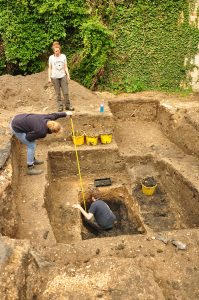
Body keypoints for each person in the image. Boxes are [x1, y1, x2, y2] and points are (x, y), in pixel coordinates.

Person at [48, 41, 74, 112]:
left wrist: (68, 75)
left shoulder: (63, 56)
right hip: (54, 77)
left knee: (65, 92)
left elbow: (65, 67)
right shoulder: (51, 58)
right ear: (53, 51)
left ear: (60, 50)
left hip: (63, 76)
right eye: (55, 51)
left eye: (58, 51)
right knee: (58, 93)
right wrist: (49, 77)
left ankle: (68, 106)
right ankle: (60, 106)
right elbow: (49, 68)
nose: (57, 52)